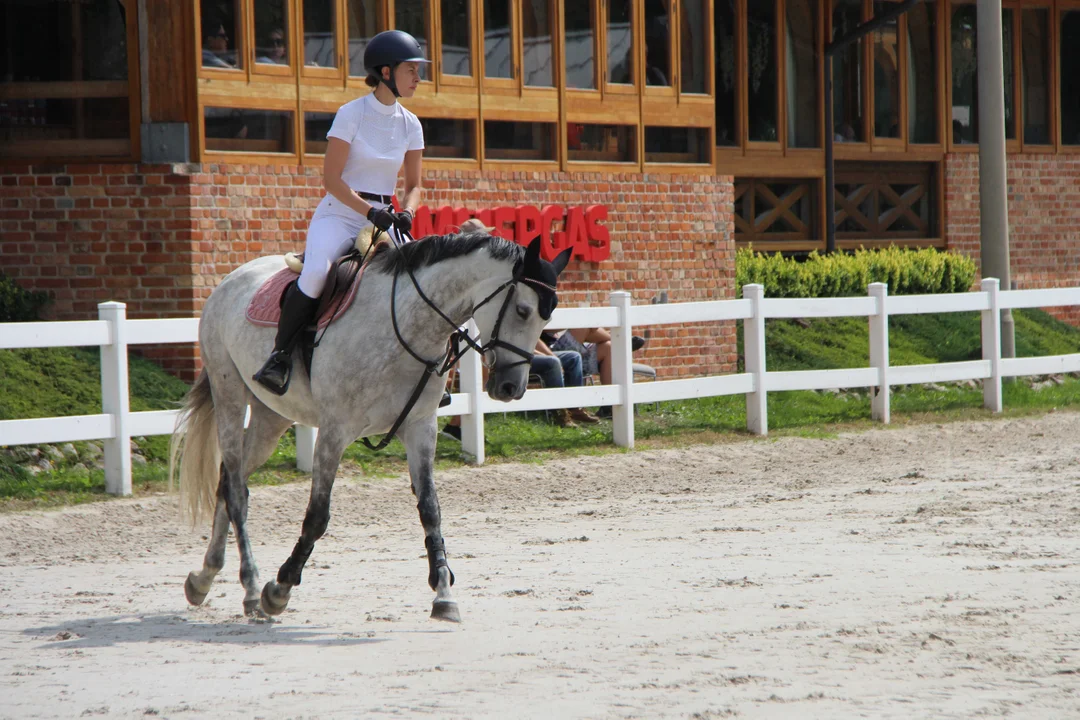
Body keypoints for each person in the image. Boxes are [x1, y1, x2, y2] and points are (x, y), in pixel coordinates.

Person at [253, 30, 429, 395]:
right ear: (385, 71)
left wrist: (407, 212)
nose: (418, 77)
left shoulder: (411, 124)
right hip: (341, 212)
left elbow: (413, 185)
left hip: (386, 217)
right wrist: (370, 212)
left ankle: (422, 371)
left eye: (418, 70)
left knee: (417, 279)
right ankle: (280, 357)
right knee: (317, 272)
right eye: (411, 69)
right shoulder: (351, 114)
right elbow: (331, 179)